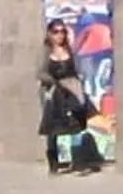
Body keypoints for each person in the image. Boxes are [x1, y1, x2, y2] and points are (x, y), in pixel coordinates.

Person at [37, 19, 89, 175]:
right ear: (49, 33)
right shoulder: (45, 52)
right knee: (53, 128)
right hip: (53, 92)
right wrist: (52, 81)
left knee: (76, 125)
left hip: (71, 91)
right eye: (56, 32)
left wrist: (79, 84)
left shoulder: (70, 51)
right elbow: (39, 72)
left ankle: (78, 161)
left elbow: (79, 69)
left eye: (62, 32)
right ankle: (54, 163)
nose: (59, 35)